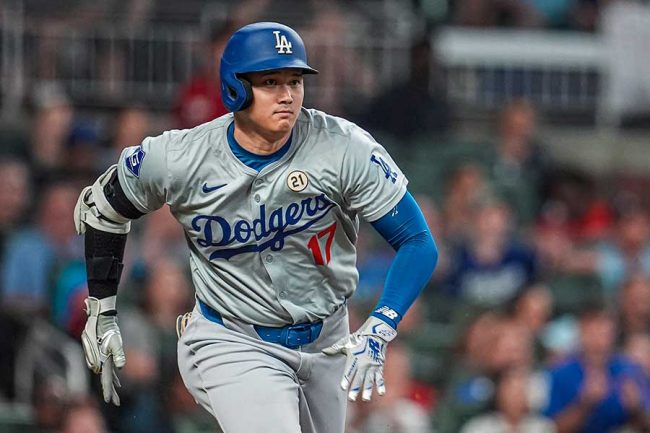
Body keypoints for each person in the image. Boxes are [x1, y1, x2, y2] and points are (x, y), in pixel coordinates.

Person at [73, 22, 438, 433]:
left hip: (328, 339)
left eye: (294, 81)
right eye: (270, 82)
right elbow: (102, 209)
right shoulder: (180, 157)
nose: (287, 95)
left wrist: (383, 322)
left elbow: (418, 241)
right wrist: (102, 309)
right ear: (235, 88)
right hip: (234, 339)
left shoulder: (343, 147)